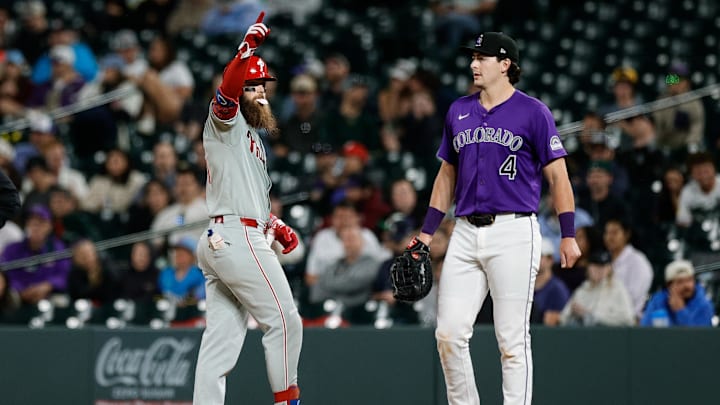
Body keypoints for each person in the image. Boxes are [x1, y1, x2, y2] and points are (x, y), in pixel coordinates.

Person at [413, 32, 581, 405]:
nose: (474, 64)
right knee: (448, 333)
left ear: (505, 65)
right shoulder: (458, 110)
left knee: (511, 339)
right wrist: (426, 233)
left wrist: (568, 234)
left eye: (483, 57)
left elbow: (558, 177)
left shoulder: (534, 112)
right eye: (473, 57)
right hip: (465, 230)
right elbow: (446, 175)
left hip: (514, 230)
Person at [192, 13, 302, 405]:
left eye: (264, 88)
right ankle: (288, 401)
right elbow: (227, 91)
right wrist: (246, 51)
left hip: (226, 237)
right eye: (255, 88)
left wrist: (275, 221)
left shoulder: (250, 140)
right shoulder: (226, 122)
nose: (263, 95)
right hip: (236, 238)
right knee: (285, 320)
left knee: (218, 348)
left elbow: (247, 197)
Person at [559, 250, 635, 327]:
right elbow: (563, 319)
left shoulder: (618, 289)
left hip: (610, 336)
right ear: (588, 268)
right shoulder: (583, 290)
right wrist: (574, 315)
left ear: (609, 268)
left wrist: (591, 316)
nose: (599, 270)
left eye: (603, 266)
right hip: (584, 336)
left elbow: (628, 320)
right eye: (595, 266)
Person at [640, 259, 714, 327]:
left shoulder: (703, 304)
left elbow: (698, 337)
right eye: (680, 282)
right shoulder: (657, 302)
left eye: (689, 280)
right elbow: (645, 330)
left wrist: (680, 310)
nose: (686, 286)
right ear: (669, 286)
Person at [532, 240, 570, 326]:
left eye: (540, 256)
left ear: (550, 260)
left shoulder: (558, 289)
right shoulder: (524, 287)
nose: (534, 259)